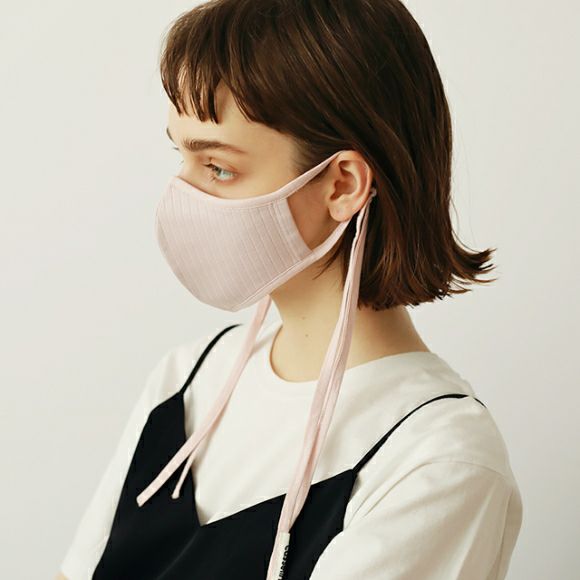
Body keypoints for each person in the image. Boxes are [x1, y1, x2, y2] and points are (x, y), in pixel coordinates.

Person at [57, 0, 523, 578]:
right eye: (181, 155)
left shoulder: (438, 461)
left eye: (218, 168)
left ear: (342, 185)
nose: (181, 194)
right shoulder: (187, 378)